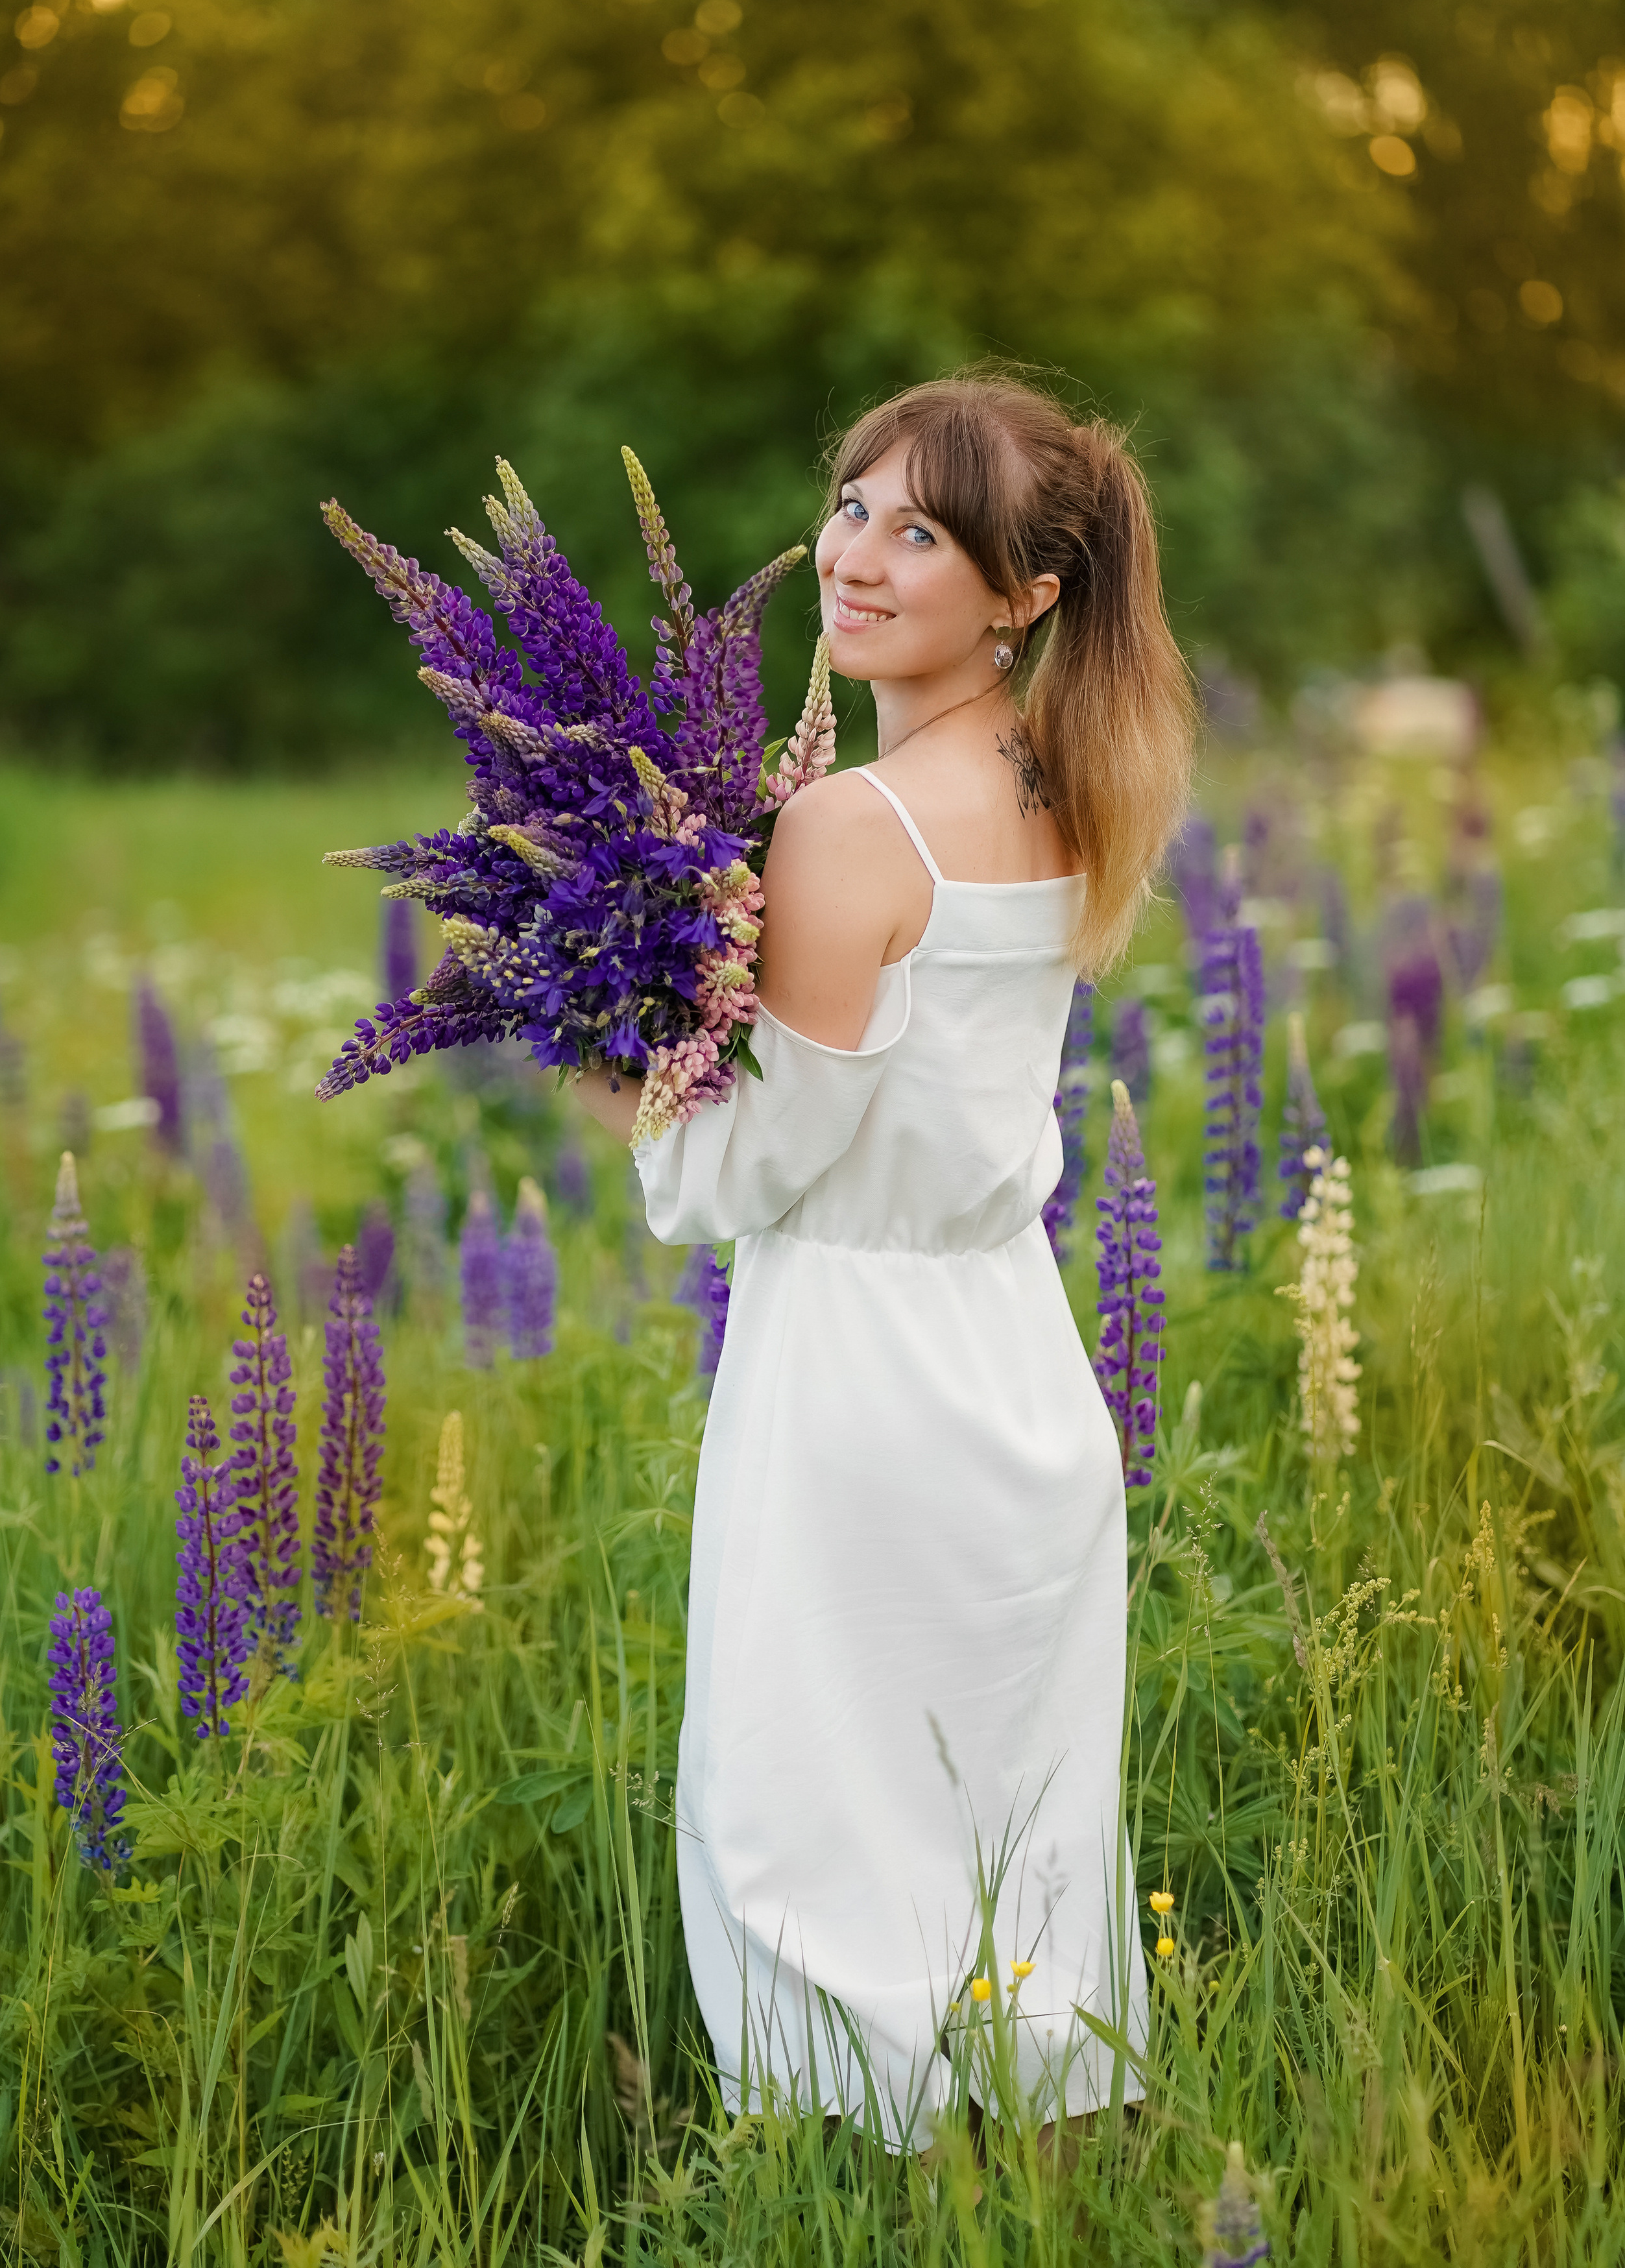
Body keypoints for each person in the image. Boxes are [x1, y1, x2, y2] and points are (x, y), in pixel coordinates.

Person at [570, 366, 1196, 2157]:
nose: (854, 555)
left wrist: (606, 1045)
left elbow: (732, 1179)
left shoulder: (854, 824)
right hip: (1017, 1364)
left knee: (806, 1828)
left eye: (921, 531)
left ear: (1024, 592)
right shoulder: (1080, 789)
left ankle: (856, 2185)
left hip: (855, 1386)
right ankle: (1052, 2175)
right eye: (851, 505)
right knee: (1018, 1838)